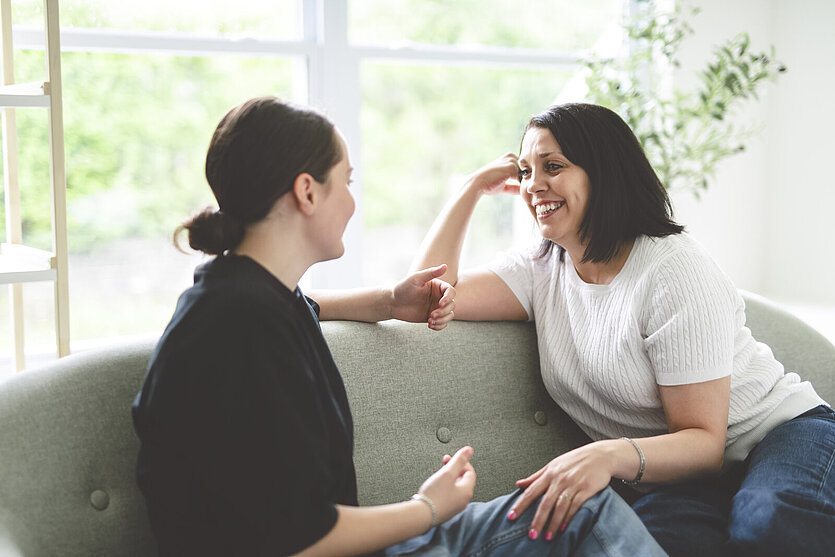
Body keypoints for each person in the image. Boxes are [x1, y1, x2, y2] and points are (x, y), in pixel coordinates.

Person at [131, 97, 667, 557]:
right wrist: (428, 508)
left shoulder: (245, 295)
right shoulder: (238, 330)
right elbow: (301, 539)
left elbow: (306, 306)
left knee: (584, 505)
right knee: (585, 511)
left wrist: (389, 300)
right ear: (307, 192)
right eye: (347, 181)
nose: (353, 201)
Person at [410, 102, 835, 557]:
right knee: (645, 546)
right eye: (525, 170)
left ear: (605, 173)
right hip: (681, 477)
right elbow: (422, 293)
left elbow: (705, 443)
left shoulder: (672, 268)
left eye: (553, 167)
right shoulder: (540, 269)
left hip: (780, 435)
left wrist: (607, 455)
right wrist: (472, 189)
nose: (534, 185)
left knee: (768, 530)